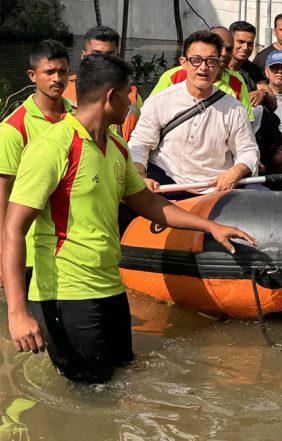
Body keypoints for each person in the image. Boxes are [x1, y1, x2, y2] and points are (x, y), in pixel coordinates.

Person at [2, 53, 257, 383]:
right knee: (90, 392)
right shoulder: (53, 148)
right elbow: (13, 228)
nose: (132, 105)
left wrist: (210, 226)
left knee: (122, 374)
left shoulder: (117, 147)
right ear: (111, 96)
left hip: (109, 285)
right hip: (65, 292)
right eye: (128, 95)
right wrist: (17, 312)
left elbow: (150, 204)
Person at [129, 31, 260, 199]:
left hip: (215, 188)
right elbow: (139, 145)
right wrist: (141, 177)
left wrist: (236, 172)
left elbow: (248, 151)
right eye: (196, 60)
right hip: (165, 182)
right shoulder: (159, 101)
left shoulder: (234, 109)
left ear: (220, 63)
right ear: (184, 62)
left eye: (211, 61)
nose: (203, 67)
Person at [0, 40, 72, 288]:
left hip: (70, 249)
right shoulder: (13, 127)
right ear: (33, 76)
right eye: (49, 72)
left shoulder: (76, 118)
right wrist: (3, 256)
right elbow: (2, 195)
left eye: (62, 71)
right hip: (29, 250)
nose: (57, 78)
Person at [149, 27, 254, 121]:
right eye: (219, 47)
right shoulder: (173, 76)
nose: (224, 53)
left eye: (229, 49)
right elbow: (150, 115)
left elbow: (244, 125)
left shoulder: (237, 82)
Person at [62, 25, 143, 142]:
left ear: (118, 57)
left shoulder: (132, 97)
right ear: (83, 56)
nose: (103, 61)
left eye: (109, 55)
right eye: (96, 55)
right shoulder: (62, 92)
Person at [227, 20, 277, 111]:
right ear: (230, 41)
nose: (245, 48)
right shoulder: (217, 67)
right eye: (241, 42)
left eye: (250, 44)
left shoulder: (253, 69)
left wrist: (262, 93)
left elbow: (274, 104)